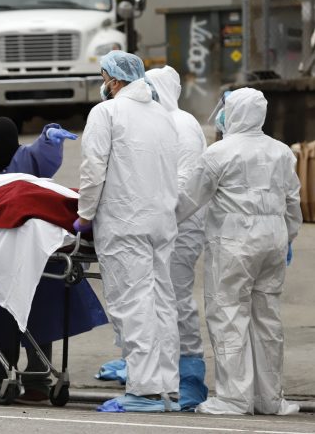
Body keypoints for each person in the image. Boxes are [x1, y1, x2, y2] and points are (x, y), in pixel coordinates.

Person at [176, 87, 302, 415]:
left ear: (233, 113)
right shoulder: (282, 152)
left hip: (233, 242)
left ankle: (234, 398)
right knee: (267, 320)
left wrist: (161, 224)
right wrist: (288, 237)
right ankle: (269, 398)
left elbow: (189, 199)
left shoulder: (219, 153)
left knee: (229, 316)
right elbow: (293, 202)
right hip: (273, 242)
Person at [96, 66, 209, 411]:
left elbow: (186, 186)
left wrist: (153, 216)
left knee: (171, 300)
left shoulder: (181, 124)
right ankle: (149, 371)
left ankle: (186, 376)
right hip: (159, 221)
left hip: (177, 224)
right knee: (147, 301)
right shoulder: (155, 119)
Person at [78, 51, 181, 412]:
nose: (103, 84)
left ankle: (144, 391)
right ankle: (167, 387)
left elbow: (93, 169)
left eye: (104, 77)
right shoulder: (163, 116)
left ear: (116, 80)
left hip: (124, 223)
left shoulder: (106, 113)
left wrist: (85, 215)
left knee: (133, 304)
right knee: (162, 303)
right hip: (161, 222)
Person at [0, 116, 76, 404]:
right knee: (1, 319)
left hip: (33, 256)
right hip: (3, 258)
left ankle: (37, 381)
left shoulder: (28, 159)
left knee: (35, 318)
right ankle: (2, 376)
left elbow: (44, 154)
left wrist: (49, 136)